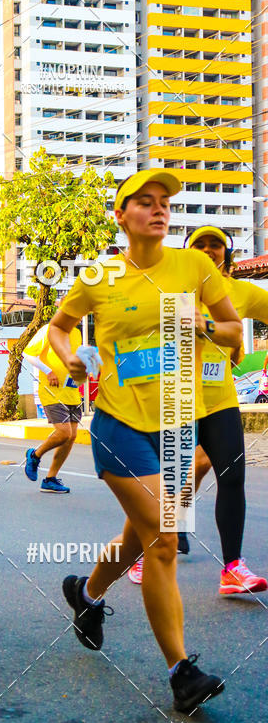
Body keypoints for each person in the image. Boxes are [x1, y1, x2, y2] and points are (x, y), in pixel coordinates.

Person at [49, 169, 243, 714]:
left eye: (163, 203)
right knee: (162, 539)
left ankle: (85, 596)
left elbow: (233, 332)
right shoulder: (98, 274)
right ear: (121, 215)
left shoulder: (195, 267)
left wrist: (200, 326)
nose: (158, 210)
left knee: (140, 535)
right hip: (119, 424)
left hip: (178, 423)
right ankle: (182, 672)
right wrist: (70, 356)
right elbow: (62, 326)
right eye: (144, 202)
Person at [128, 227, 268, 595]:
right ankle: (144, 553)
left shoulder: (240, 292)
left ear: (227, 253)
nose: (208, 250)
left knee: (232, 477)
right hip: (176, 399)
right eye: (199, 245)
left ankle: (233, 569)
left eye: (215, 245)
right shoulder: (172, 288)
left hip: (220, 399)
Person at [22, 322, 83, 493]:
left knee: (70, 437)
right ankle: (34, 455)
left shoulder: (77, 333)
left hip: (71, 390)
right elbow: (27, 353)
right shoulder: (50, 328)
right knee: (64, 432)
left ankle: (50, 479)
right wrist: (48, 371)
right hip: (52, 390)